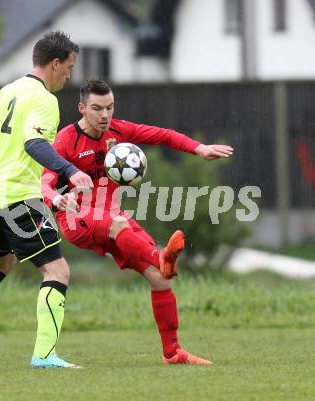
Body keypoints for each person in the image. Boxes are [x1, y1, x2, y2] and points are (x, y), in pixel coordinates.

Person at [41, 78, 234, 365]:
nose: (105, 115)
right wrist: (55, 199)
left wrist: (198, 148)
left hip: (111, 215)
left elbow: (164, 135)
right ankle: (160, 256)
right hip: (76, 218)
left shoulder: (119, 130)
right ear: (81, 108)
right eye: (97, 108)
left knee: (159, 279)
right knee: (130, 236)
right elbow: (44, 182)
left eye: (109, 107)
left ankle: (173, 352)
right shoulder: (66, 140)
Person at [0, 31, 94, 370]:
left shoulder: (8, 90)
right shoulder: (44, 99)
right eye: (68, 68)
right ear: (54, 63)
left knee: (1, 263)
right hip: (19, 197)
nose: (69, 76)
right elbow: (34, 144)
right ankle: (44, 355)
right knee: (57, 270)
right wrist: (69, 170)